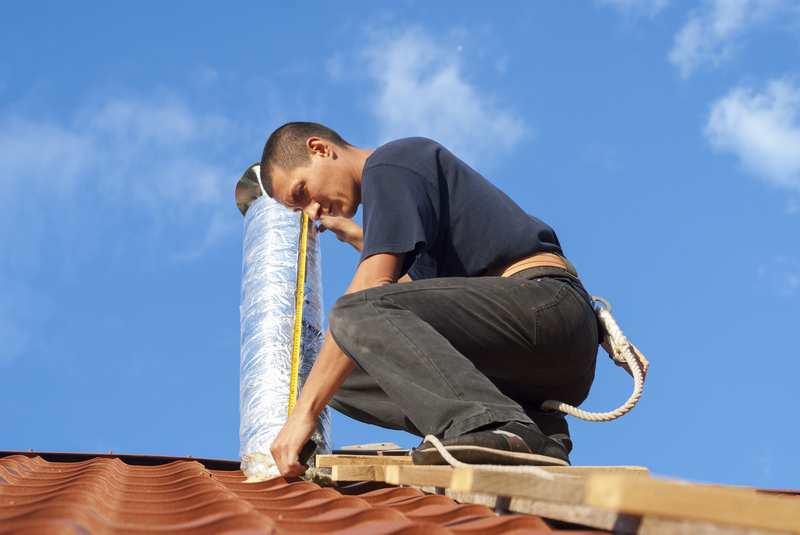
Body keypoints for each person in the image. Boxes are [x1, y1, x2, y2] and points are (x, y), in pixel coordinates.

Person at [262, 122, 600, 477]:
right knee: (342, 377)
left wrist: (304, 412)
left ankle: (483, 424)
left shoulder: (390, 163)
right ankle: (529, 429)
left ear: (319, 148)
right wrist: (358, 237)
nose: (312, 211)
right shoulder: (404, 208)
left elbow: (372, 292)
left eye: (303, 191)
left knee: (351, 316)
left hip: (547, 310)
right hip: (529, 370)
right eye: (300, 209)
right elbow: (404, 312)